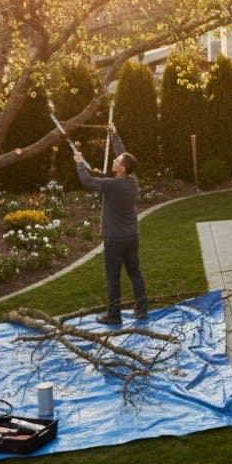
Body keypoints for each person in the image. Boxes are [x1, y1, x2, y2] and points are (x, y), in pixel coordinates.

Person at [72, 124, 147, 326]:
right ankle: (141, 310)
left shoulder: (110, 186)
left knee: (113, 278)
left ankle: (114, 315)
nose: (114, 159)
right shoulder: (132, 180)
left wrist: (79, 162)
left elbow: (86, 180)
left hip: (114, 239)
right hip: (132, 236)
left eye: (117, 161)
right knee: (135, 272)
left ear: (121, 168)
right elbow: (123, 154)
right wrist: (115, 135)